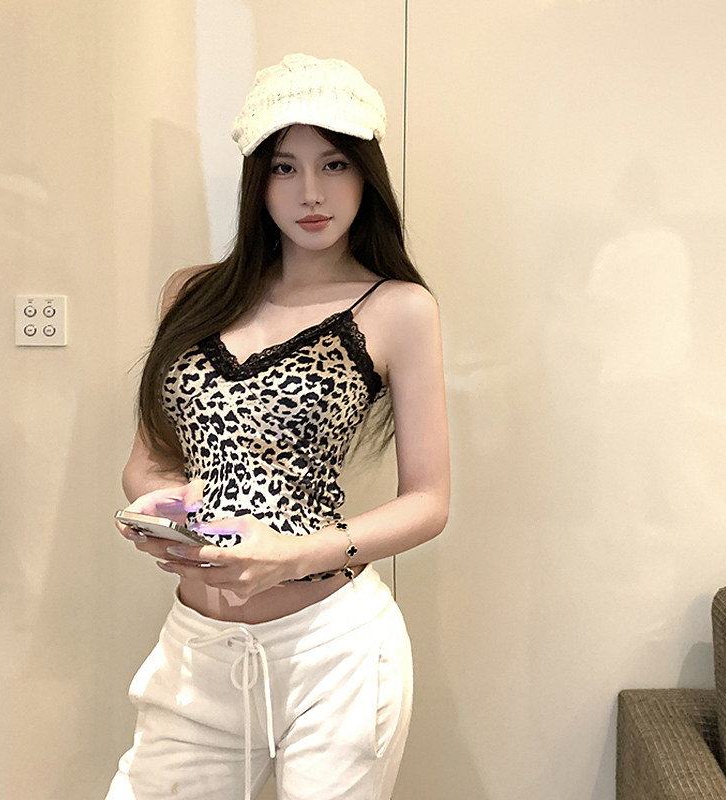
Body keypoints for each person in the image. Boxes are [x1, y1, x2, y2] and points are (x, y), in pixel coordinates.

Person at [105, 53, 450, 800]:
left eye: (334, 164)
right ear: (257, 182)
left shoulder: (398, 308)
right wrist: (169, 513)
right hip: (198, 650)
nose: (312, 193)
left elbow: (428, 501)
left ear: (366, 176)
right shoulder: (192, 295)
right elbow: (149, 460)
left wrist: (290, 555)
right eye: (285, 168)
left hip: (334, 650)